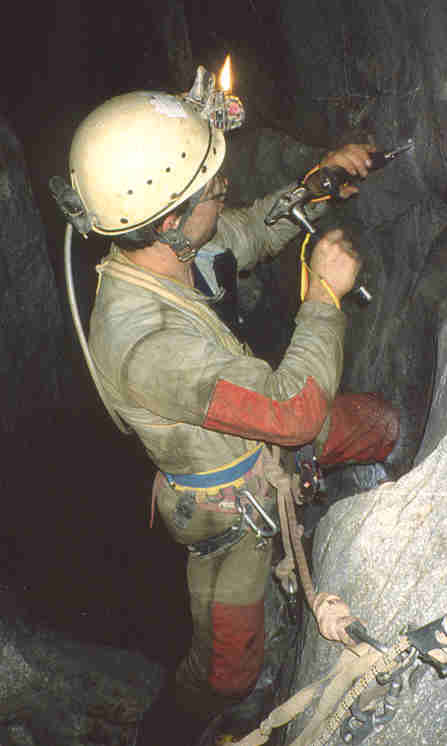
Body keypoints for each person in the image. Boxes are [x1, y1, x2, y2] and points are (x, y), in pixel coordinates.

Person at [66, 78, 399, 742]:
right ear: (166, 219)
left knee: (381, 425)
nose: (224, 192)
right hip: (229, 509)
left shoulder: (166, 254)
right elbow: (294, 412)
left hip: (263, 448)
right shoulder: (147, 347)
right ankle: (159, 733)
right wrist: (321, 296)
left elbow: (239, 234)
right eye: (213, 189)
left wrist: (313, 183)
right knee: (229, 674)